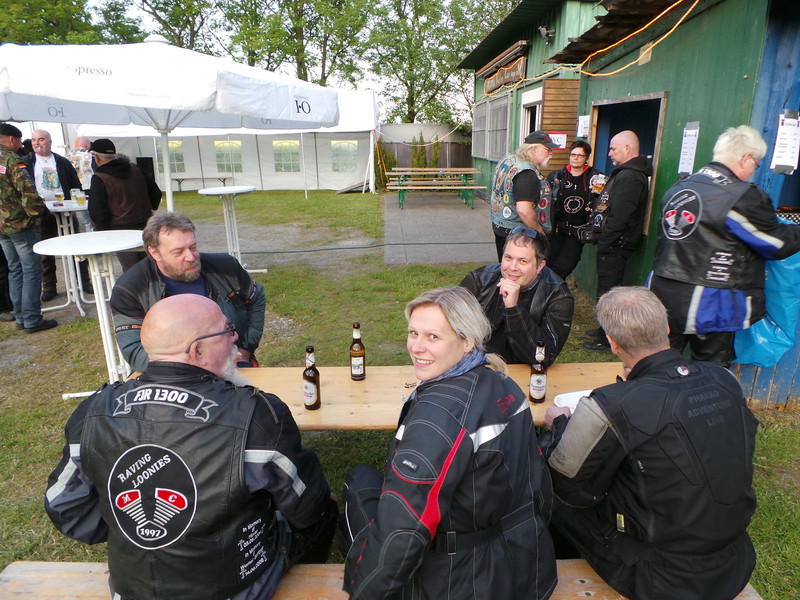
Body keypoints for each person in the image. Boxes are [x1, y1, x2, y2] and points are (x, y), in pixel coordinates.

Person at [45, 294, 337, 600]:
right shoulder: (256, 415)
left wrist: (131, 530)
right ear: (197, 350)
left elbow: (65, 507)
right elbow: (305, 508)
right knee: (324, 509)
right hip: (235, 590)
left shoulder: (93, 410)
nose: (235, 338)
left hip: (131, 591)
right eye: (227, 330)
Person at [340, 286, 557, 600]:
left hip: (461, 580)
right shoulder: (505, 384)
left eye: (433, 337)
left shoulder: (437, 418)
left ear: (467, 341)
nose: (417, 347)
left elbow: (402, 530)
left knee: (358, 482)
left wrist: (363, 592)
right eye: (413, 333)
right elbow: (538, 483)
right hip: (525, 567)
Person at [544, 287, 757, 600]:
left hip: (660, 580)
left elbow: (569, 488)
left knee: (551, 497)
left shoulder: (611, 404)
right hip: (733, 561)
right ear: (666, 328)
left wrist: (560, 425)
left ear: (612, 343)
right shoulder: (724, 379)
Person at [650, 125, 800, 367]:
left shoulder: (679, 187)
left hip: (662, 292)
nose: (753, 170)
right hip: (709, 302)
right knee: (711, 372)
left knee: (658, 364)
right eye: (756, 164)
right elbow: (775, 243)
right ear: (745, 158)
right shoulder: (741, 195)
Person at [111, 212, 265, 371]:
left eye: (193, 247)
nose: (191, 257)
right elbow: (134, 351)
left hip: (233, 364)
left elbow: (256, 297)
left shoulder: (226, 267)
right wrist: (194, 368)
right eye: (178, 252)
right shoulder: (130, 289)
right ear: (154, 253)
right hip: (171, 375)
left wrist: (246, 348)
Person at [460, 226, 574, 367]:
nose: (512, 267)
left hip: (523, 370)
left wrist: (513, 309)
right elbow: (451, 330)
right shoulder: (480, 280)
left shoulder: (558, 296)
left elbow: (543, 357)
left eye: (523, 261)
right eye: (508, 258)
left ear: (540, 266)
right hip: (473, 366)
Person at [582, 130, 652, 353]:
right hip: (614, 242)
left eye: (613, 149)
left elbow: (620, 215)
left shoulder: (631, 177)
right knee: (606, 291)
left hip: (616, 244)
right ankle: (603, 331)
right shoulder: (628, 174)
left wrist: (605, 242)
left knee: (609, 294)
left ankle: (607, 340)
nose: (610, 153)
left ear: (627, 149)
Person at [0, 123, 57, 333]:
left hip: (2, 227)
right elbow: (29, 193)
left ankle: (20, 317)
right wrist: (36, 217)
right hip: (21, 225)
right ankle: (32, 319)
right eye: (19, 141)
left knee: (14, 269)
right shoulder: (13, 160)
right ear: (12, 140)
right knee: (31, 270)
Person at [22, 129, 83, 302]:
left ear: (49, 142)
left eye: (41, 139)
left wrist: (72, 200)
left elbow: (75, 184)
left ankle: (83, 281)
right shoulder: (26, 162)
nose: (36, 143)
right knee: (45, 250)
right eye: (34, 140)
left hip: (65, 210)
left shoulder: (62, 161)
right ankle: (49, 287)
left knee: (77, 246)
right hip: (41, 212)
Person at [89, 138, 162, 271]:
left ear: (96, 158)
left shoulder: (99, 177)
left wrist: (104, 231)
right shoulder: (136, 168)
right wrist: (148, 209)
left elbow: (97, 211)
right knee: (151, 266)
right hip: (145, 225)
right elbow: (156, 193)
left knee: (132, 271)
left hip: (120, 231)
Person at [490, 130, 559, 261]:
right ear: (533, 149)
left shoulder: (509, 160)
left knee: (507, 265)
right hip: (518, 234)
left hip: (501, 226)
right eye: (547, 149)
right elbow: (524, 210)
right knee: (521, 268)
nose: (551, 153)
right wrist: (540, 233)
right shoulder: (527, 173)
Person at [546, 140, 603, 279]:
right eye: (573, 154)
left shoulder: (595, 179)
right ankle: (547, 289)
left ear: (586, 158)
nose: (575, 158)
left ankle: (553, 287)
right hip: (557, 229)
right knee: (548, 263)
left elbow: (602, 202)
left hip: (577, 231)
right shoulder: (557, 176)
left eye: (580, 155)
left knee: (565, 266)